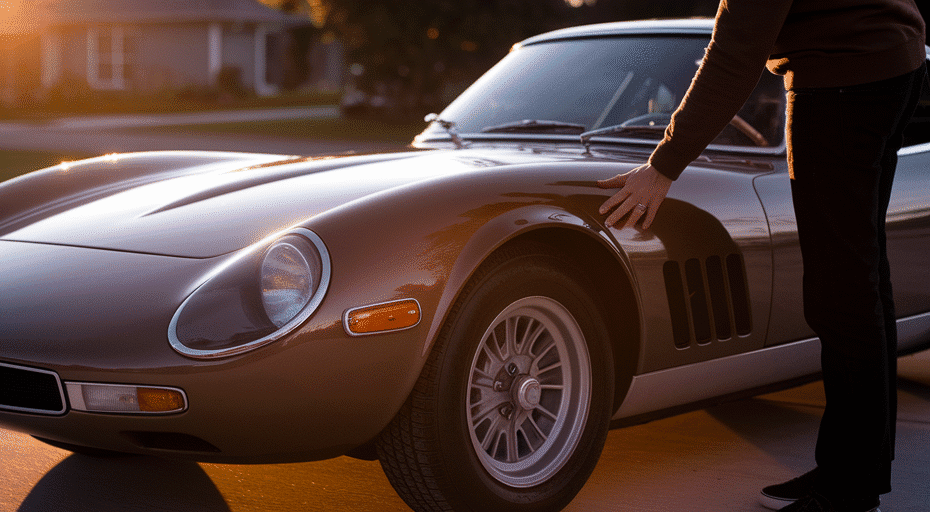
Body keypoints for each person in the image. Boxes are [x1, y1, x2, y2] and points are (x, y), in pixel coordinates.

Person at [597, 1, 926, 511]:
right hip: (888, 66)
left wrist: (663, 165)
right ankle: (854, 469)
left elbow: (734, 55)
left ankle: (848, 489)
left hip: (841, 86)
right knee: (861, 279)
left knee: (841, 292)